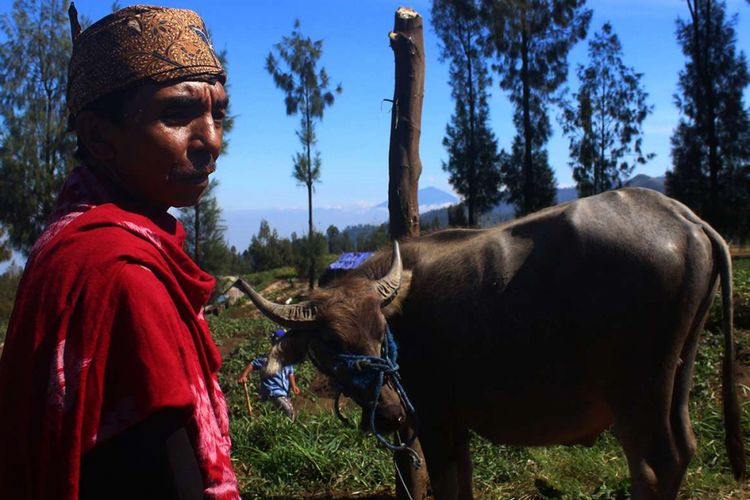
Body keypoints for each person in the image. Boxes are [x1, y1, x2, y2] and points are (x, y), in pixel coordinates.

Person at [0, 4, 239, 499]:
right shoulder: (123, 278)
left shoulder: (68, 239)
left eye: (218, 112)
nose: (211, 141)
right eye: (177, 114)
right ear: (99, 136)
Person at [238, 329, 301, 420]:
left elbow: (290, 373)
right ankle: (290, 429)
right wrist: (244, 375)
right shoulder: (267, 359)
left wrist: (294, 386)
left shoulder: (287, 359)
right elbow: (253, 364)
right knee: (289, 411)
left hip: (284, 392)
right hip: (273, 391)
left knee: (279, 414)